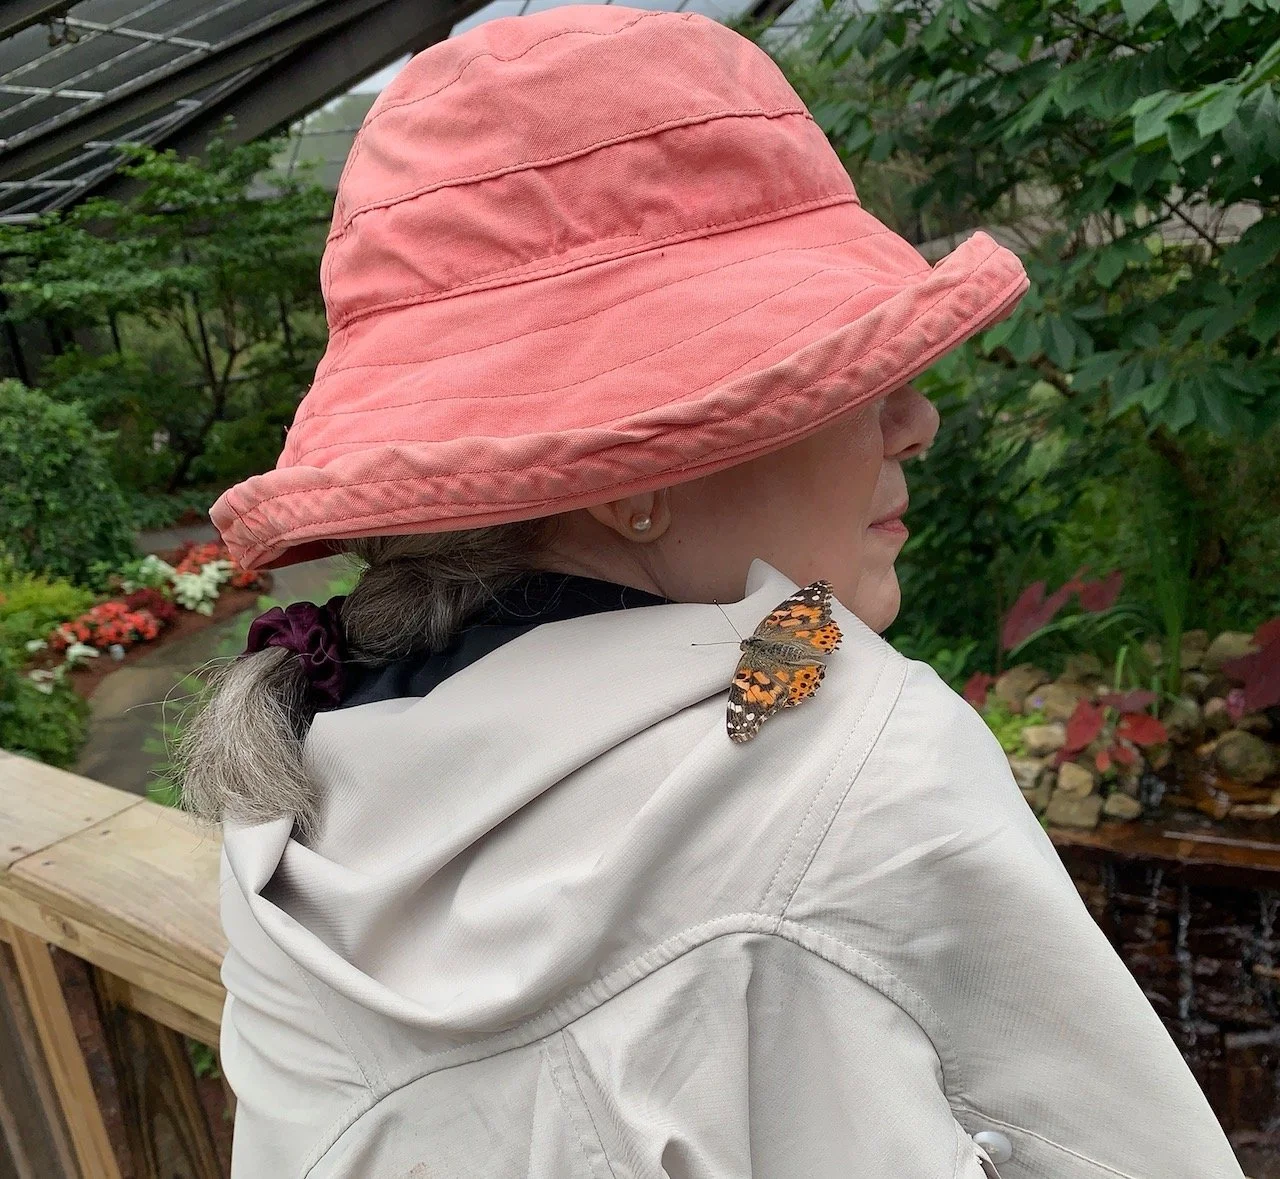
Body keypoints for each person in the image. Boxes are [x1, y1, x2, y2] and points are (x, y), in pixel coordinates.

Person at [185, 7, 1245, 1177]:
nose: (917, 421)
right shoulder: (857, 758)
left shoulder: (301, 795)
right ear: (633, 475)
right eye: (844, 375)